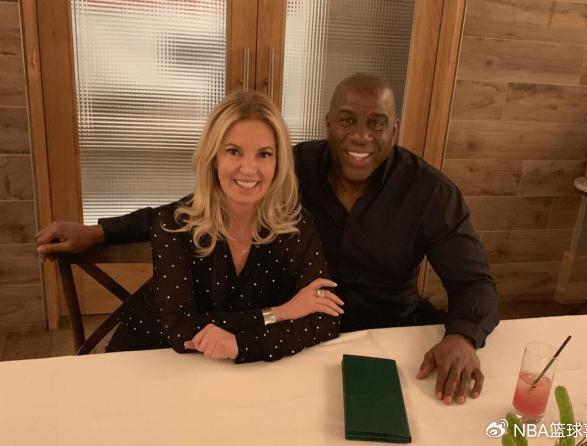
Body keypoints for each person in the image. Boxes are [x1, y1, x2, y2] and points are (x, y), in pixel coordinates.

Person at [37, 74, 498, 403]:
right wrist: (99, 231)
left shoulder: (430, 193)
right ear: (328, 123)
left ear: (394, 129)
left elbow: (474, 281)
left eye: (376, 123)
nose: (361, 135)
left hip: (375, 334)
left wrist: (463, 335)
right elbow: (189, 209)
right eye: (347, 120)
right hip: (279, 338)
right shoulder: (290, 166)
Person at [37, 91, 344, 363]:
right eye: (233, 151)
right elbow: (182, 330)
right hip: (148, 360)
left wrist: (241, 345)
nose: (249, 168)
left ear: (278, 163)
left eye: (264, 154)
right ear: (214, 157)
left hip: (229, 371)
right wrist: (282, 313)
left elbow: (326, 320)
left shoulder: (296, 227)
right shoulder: (175, 224)